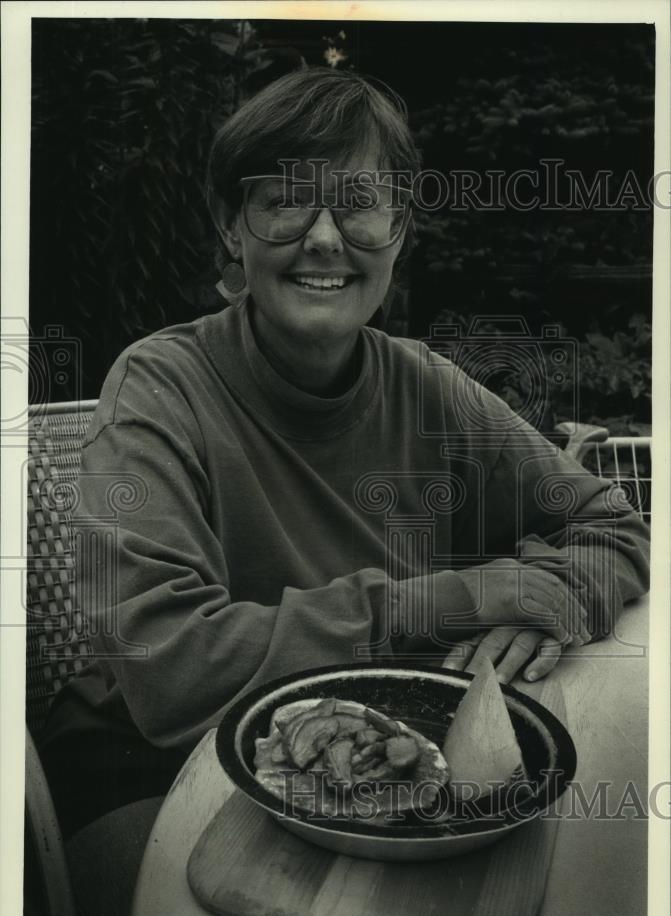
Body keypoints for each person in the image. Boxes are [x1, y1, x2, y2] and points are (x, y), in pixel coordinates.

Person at [39, 67, 650, 838]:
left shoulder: (430, 389)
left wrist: (551, 600)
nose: (324, 237)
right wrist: (456, 600)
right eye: (287, 199)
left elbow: (615, 526)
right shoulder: (160, 387)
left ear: (398, 233)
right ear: (232, 226)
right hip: (146, 768)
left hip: (369, 759)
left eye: (360, 205)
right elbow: (172, 672)